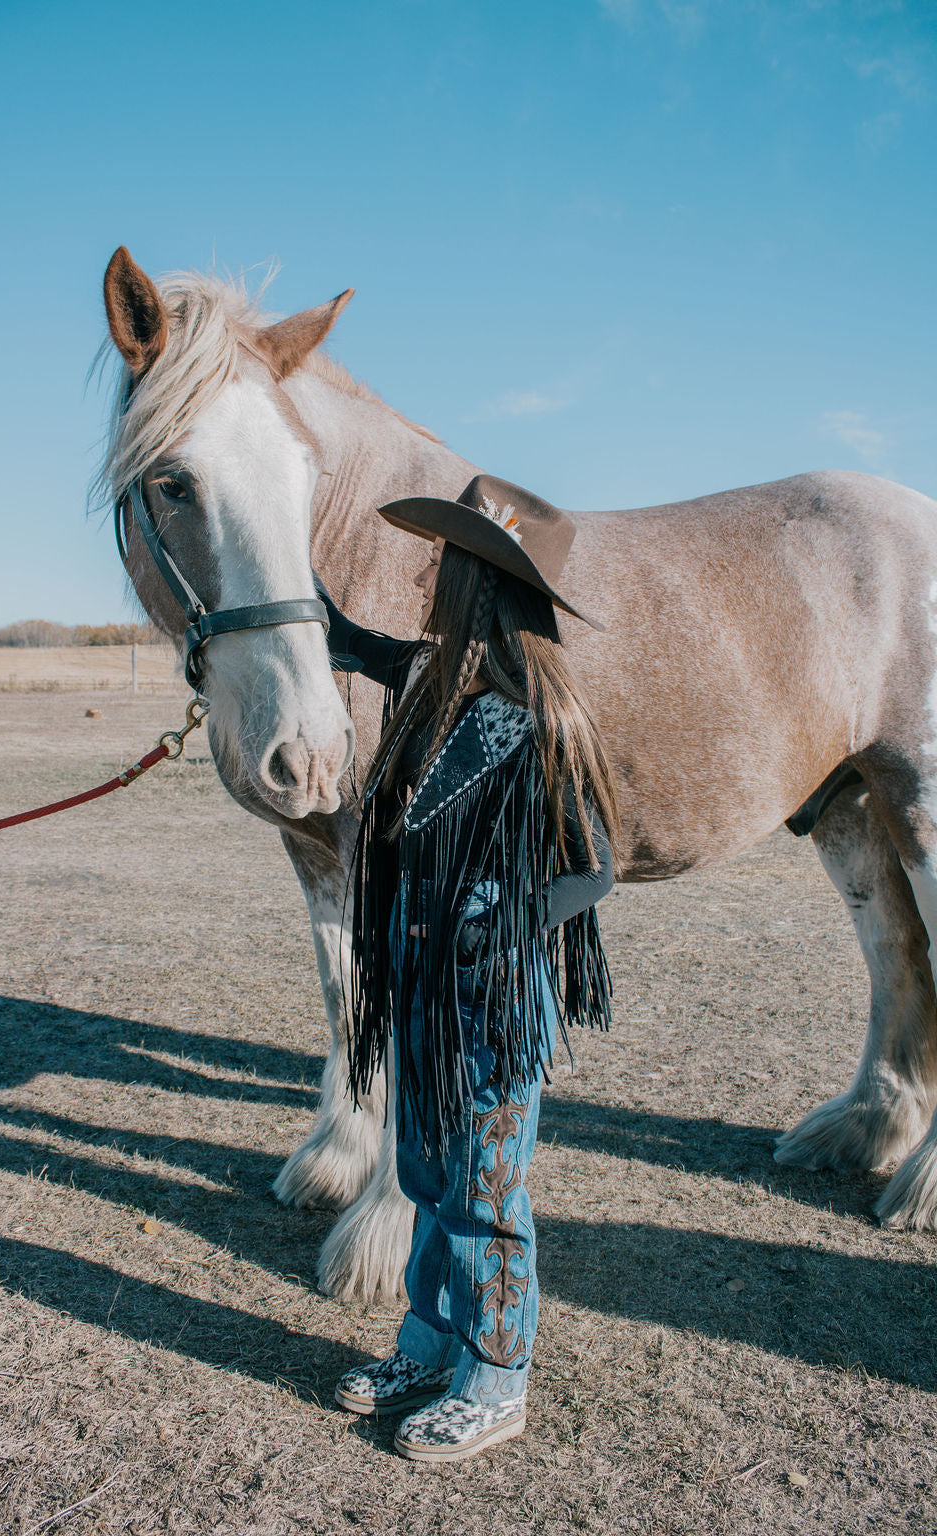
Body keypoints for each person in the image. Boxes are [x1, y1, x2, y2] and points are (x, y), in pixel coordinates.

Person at [323, 473, 619, 1464]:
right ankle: (430, 1343)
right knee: (423, 1170)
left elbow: (593, 867)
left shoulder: (543, 719)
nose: (429, 571)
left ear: (482, 586)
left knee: (486, 1191)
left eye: (448, 561)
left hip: (488, 999)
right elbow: (361, 646)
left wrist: (506, 928)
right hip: (420, 986)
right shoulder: (434, 687)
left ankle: (496, 1377)